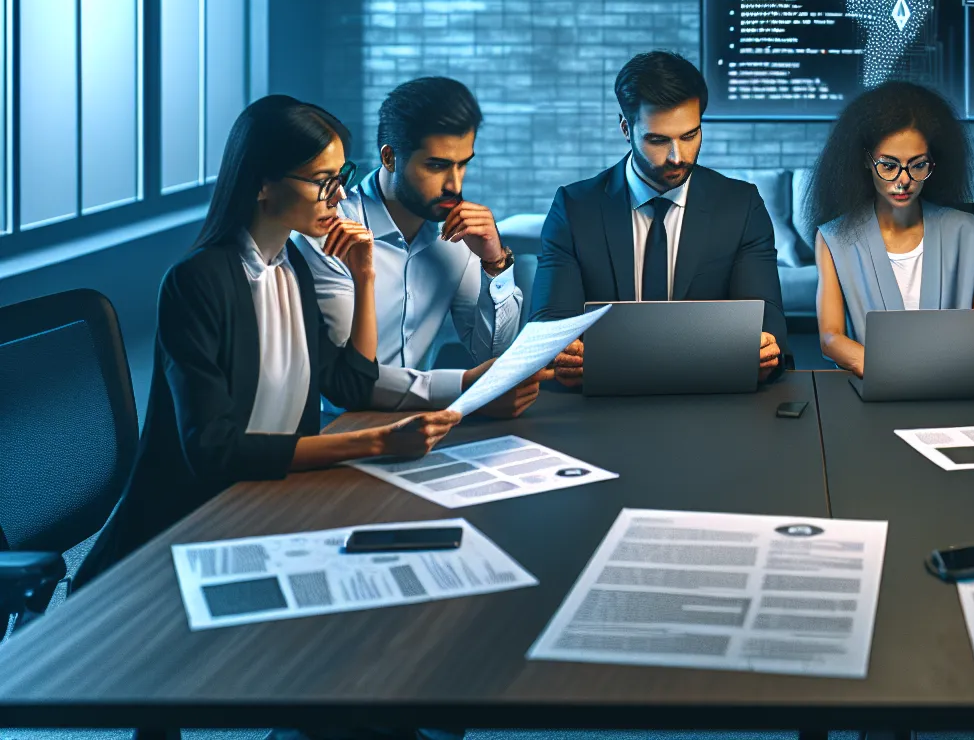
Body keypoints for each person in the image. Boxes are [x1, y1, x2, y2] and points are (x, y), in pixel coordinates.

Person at [76, 97, 460, 587]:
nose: (339, 197)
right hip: (183, 532)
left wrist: (364, 277)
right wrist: (372, 442)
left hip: (266, 502)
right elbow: (213, 450)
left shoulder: (291, 267)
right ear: (262, 183)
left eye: (341, 177)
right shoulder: (197, 282)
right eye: (323, 182)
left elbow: (351, 385)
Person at [532, 51, 786, 387]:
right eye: (658, 140)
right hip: (600, 406)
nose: (677, 157)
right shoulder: (575, 208)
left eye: (690, 135)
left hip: (711, 401)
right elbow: (550, 327)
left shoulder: (741, 206)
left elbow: (768, 322)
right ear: (626, 128)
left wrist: (766, 351)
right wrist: (563, 355)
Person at [297, 77, 542, 421]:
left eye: (463, 164)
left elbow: (492, 356)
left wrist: (495, 262)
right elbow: (345, 383)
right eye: (437, 165)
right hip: (334, 427)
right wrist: (460, 386)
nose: (454, 185)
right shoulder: (327, 231)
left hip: (422, 423)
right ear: (390, 158)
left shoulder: (458, 234)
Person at [808, 81, 974, 377]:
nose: (903, 181)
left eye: (917, 165)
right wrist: (891, 372)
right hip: (875, 386)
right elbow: (830, 337)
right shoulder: (834, 238)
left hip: (952, 387)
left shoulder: (966, 230)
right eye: (889, 166)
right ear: (867, 161)